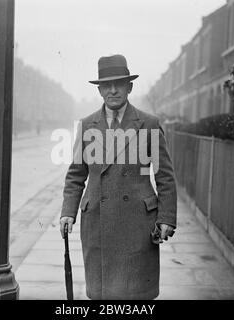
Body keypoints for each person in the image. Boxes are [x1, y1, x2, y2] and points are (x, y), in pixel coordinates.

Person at [60, 54, 177, 300]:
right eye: (106, 86)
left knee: (134, 295)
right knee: (104, 295)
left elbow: (164, 176)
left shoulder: (148, 124)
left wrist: (166, 218)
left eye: (119, 84)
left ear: (129, 87)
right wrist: (67, 212)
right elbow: (75, 175)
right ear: (100, 90)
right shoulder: (87, 125)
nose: (113, 90)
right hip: (98, 222)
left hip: (137, 223)